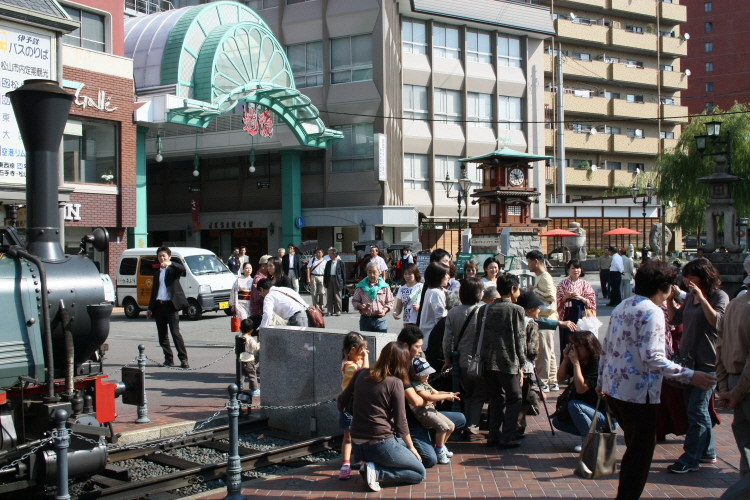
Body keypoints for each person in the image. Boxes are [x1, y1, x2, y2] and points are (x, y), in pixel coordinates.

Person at [597, 259, 718, 500]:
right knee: (639, 455)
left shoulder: (623, 305)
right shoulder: (652, 311)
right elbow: (653, 358)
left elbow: (606, 348)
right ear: (662, 287)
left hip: (615, 389)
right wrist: (691, 376)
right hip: (638, 394)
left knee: (635, 450)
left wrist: (601, 380)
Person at [666, 258, 728, 473]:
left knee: (697, 411)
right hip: (687, 362)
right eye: (685, 277)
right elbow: (675, 319)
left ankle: (690, 457)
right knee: (696, 410)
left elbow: (718, 322)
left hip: (708, 362)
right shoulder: (689, 298)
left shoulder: (719, 296)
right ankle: (707, 452)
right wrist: (670, 300)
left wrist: (702, 299)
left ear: (704, 277)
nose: (688, 281)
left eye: (691, 277)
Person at [336, 342, 425, 492]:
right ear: (401, 362)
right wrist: (412, 448)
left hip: (357, 446)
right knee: (419, 473)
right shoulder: (395, 382)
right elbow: (401, 422)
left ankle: (371, 466)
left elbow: (341, 403)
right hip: (379, 444)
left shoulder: (360, 374)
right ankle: (377, 472)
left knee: (402, 448)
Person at [396, 326, 467, 466]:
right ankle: (404, 442)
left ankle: (433, 439)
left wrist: (443, 395)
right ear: (406, 346)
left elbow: (430, 392)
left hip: (425, 412)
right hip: (412, 422)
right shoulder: (401, 370)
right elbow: (416, 402)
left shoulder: (416, 363)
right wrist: (435, 399)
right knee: (429, 460)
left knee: (459, 419)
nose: (420, 350)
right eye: (417, 346)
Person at [481, 273, 526, 449]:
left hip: (487, 361)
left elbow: (480, 336)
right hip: (509, 362)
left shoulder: (485, 309)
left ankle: (493, 435)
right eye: (518, 288)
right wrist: (522, 364)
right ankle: (507, 436)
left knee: (496, 398)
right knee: (514, 398)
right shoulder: (517, 310)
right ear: (513, 289)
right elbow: (520, 338)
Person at [552, 330, 615, 452]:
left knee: (574, 405)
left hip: (604, 416)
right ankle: (595, 435)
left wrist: (575, 363)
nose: (575, 350)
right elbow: (560, 378)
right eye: (573, 346)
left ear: (589, 347)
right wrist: (565, 360)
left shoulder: (597, 364)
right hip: (589, 412)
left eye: (578, 347)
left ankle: (590, 442)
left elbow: (581, 389)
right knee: (558, 422)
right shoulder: (580, 361)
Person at [442, 277, 486, 441]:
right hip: (479, 362)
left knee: (466, 394)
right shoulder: (483, 311)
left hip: (460, 362)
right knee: (478, 395)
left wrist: (447, 359)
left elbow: (447, 339)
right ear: (478, 294)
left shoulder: (453, 312)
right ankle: (472, 428)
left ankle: (465, 425)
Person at [716, 293, 750, 499]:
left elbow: (720, 346)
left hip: (733, 378)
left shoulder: (734, 304)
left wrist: (724, 385)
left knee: (746, 450)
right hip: (743, 383)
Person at [407, 357, 459, 464]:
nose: (428, 376)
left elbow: (436, 393)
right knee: (443, 427)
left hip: (430, 409)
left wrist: (449, 394)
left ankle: (440, 446)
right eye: (425, 374)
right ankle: (439, 451)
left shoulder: (424, 382)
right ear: (414, 375)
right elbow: (429, 397)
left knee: (451, 426)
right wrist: (445, 397)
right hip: (422, 412)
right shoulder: (416, 384)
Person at [146, 246, 190, 368]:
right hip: (159, 306)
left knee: (175, 333)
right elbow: (154, 291)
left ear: (169, 257)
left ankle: (183, 359)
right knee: (162, 335)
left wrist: (170, 264)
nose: (162, 258)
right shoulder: (156, 273)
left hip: (171, 306)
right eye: (159, 256)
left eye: (164, 256)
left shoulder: (173, 270)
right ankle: (168, 359)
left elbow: (183, 268)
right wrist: (150, 308)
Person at [526, 250, 559, 393]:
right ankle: (552, 381)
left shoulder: (544, 277)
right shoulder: (542, 276)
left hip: (545, 318)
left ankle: (544, 381)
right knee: (549, 351)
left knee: (543, 352)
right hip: (547, 319)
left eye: (529, 261)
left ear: (536, 261)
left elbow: (550, 297)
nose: (528, 265)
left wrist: (534, 291)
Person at [338, 332, 369, 480]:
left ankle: (363, 460)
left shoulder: (354, 363)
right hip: (350, 405)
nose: (364, 353)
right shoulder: (350, 366)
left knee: (361, 435)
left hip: (358, 403)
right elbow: (364, 373)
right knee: (348, 436)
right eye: (361, 350)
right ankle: (345, 464)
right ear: (352, 350)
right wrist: (366, 358)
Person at [515, 290, 541, 440]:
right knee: (523, 400)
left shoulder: (516, 319)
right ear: (530, 309)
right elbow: (532, 349)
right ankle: (518, 427)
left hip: (512, 365)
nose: (539, 310)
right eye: (537, 307)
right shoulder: (531, 324)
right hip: (525, 367)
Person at [556, 259, 597, 354]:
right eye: (573, 268)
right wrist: (566, 297)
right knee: (567, 340)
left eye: (578, 268)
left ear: (581, 269)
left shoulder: (585, 284)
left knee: (581, 340)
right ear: (569, 270)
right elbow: (558, 301)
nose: (576, 270)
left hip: (581, 313)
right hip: (567, 313)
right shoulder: (563, 284)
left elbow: (591, 301)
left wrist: (581, 297)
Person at [352, 261, 394, 333]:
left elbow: (390, 302)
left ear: (379, 272)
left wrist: (384, 310)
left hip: (380, 321)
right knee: (365, 343)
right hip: (365, 320)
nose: (372, 275)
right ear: (366, 272)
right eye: (369, 272)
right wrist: (361, 307)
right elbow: (355, 301)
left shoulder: (384, 287)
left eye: (374, 272)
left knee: (382, 342)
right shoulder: (361, 286)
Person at [416, 263, 449, 350]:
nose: (448, 276)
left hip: (429, 338)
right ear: (438, 276)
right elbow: (441, 318)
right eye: (446, 274)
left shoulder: (433, 290)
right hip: (434, 340)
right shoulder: (436, 293)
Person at [239, 318, 260, 396]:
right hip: (249, 361)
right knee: (252, 376)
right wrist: (260, 342)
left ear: (240, 328)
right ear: (251, 330)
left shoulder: (239, 337)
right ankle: (254, 390)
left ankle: (239, 389)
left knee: (241, 376)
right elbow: (256, 347)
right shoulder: (250, 339)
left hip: (240, 361)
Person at [324, 248, 346, 316]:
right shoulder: (328, 262)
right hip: (329, 279)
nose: (329, 255)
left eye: (330, 253)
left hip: (337, 280)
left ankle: (338, 310)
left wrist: (343, 283)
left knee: (337, 296)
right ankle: (330, 310)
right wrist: (325, 282)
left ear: (335, 254)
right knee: (329, 295)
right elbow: (325, 273)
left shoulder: (340, 262)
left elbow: (343, 273)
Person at [249, 255, 271, 322]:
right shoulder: (258, 279)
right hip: (259, 313)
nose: (270, 268)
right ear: (263, 266)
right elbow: (257, 298)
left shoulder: (267, 277)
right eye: (269, 265)